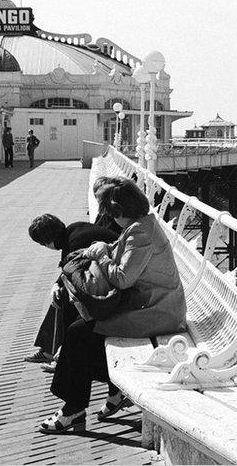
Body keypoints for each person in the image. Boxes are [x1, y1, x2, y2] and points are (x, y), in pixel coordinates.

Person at [39, 179, 187, 434]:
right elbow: (122, 250)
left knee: (79, 333)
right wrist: (103, 247)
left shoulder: (140, 233)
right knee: (84, 334)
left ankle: (73, 409)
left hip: (156, 311)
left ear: (120, 212)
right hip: (148, 303)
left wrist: (99, 255)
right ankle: (109, 390)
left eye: (111, 213)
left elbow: (122, 277)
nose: (110, 218)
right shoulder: (143, 225)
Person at [24, 214, 119, 365]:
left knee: (67, 299)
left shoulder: (74, 243)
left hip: (114, 289)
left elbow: (74, 272)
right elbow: (71, 269)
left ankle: (61, 356)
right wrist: (56, 284)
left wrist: (58, 286)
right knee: (61, 293)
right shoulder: (74, 230)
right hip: (110, 277)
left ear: (47, 242)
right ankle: (51, 351)